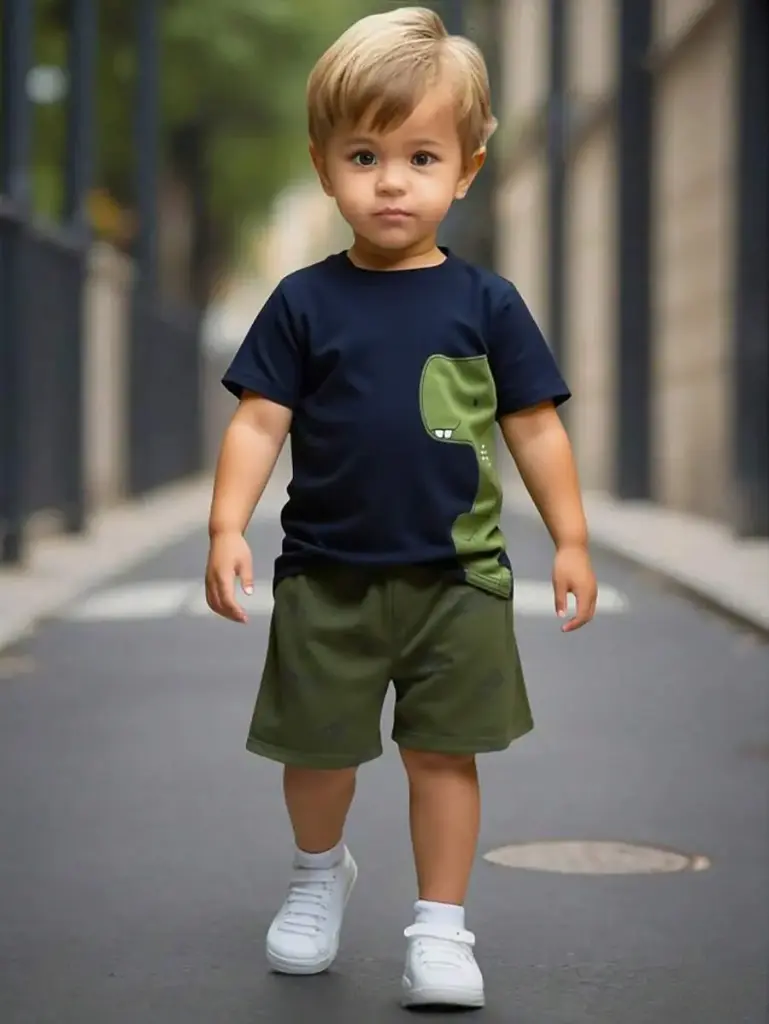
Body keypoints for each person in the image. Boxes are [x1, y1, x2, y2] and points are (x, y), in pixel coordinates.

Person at [205, 5, 597, 1010]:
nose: (390, 180)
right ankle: (314, 874)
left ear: (465, 169)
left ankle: (440, 927)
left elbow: (536, 428)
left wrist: (569, 537)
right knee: (317, 751)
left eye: (421, 156)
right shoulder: (301, 301)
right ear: (324, 162)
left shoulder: (487, 304)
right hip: (326, 573)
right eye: (365, 153)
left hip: (457, 575)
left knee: (442, 753)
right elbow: (258, 422)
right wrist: (223, 527)